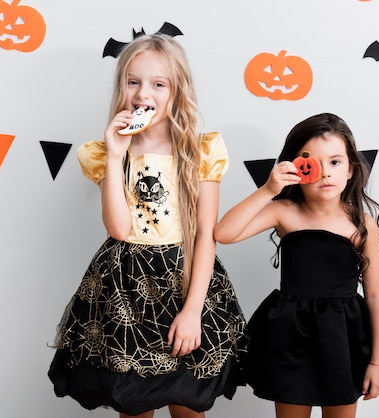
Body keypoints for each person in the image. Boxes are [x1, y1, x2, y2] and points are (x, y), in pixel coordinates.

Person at [48, 34, 247, 418]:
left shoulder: (200, 150)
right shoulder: (104, 152)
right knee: (134, 403)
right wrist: (115, 155)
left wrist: (193, 311)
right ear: (121, 85)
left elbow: (206, 233)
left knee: (187, 402)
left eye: (158, 84)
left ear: (177, 90)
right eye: (133, 81)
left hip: (185, 281)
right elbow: (119, 229)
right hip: (125, 288)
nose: (143, 94)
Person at [214, 113, 379, 418]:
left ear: (351, 169)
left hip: (343, 339)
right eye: (314, 163)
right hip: (291, 338)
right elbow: (224, 233)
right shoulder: (284, 211)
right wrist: (269, 189)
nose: (325, 173)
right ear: (296, 169)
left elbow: (375, 296)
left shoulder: (362, 224)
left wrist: (377, 362)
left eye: (335, 162)